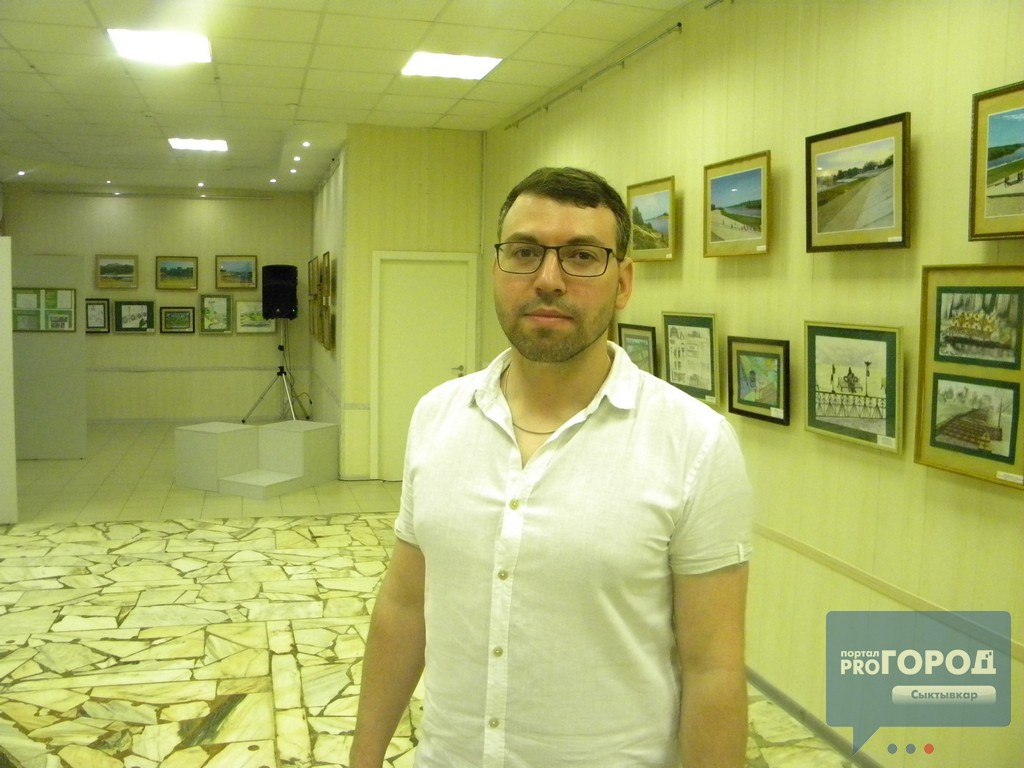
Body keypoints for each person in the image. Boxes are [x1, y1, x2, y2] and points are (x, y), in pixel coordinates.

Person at [350, 167, 753, 767]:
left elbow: (713, 668)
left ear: (623, 283)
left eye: (582, 256)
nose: (548, 279)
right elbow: (405, 606)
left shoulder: (694, 442)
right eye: (524, 252)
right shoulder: (438, 415)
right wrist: (364, 756)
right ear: (497, 269)